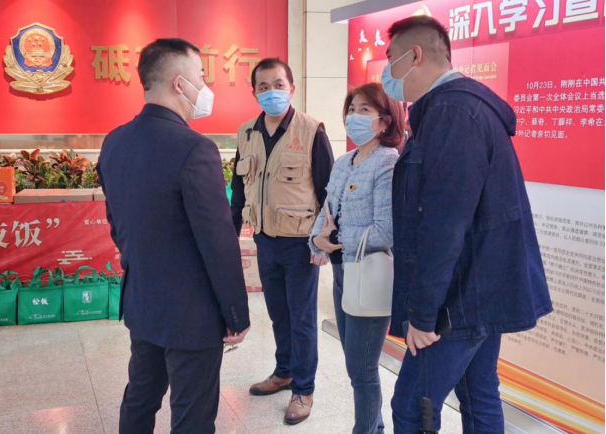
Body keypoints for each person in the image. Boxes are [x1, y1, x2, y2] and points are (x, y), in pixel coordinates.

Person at [383, 17, 553, 433]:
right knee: (479, 394)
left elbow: (444, 224)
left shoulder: (452, 113)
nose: (386, 72)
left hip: (459, 298)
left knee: (412, 405)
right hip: (477, 289)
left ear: (415, 56)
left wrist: (422, 315)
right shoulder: (455, 109)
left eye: (390, 59)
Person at [97, 38, 251, 434]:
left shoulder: (114, 142)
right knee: (192, 415)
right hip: (192, 312)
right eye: (201, 76)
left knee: (140, 398)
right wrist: (236, 313)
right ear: (180, 84)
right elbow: (218, 242)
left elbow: (117, 224)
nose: (205, 86)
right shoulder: (196, 149)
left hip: (142, 299)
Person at [230, 58, 334, 425]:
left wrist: (324, 241)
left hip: (301, 242)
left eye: (278, 84)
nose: (271, 91)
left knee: (302, 317)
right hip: (264, 239)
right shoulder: (246, 133)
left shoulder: (311, 131)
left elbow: (328, 191)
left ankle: (303, 390)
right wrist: (230, 235)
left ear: (292, 88)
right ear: (254, 92)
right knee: (278, 313)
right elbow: (238, 189)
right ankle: (285, 371)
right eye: (263, 86)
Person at [309, 82, 405, 434]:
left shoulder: (388, 162)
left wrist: (335, 240)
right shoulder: (343, 162)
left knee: (362, 370)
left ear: (384, 120)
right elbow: (326, 211)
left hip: (369, 274)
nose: (354, 116)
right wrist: (316, 241)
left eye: (365, 110)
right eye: (351, 109)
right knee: (354, 366)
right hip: (341, 273)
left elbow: (385, 230)